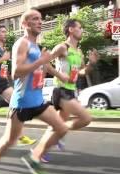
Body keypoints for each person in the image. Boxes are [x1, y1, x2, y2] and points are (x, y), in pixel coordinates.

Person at [0, 9, 69, 174]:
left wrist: (57, 74)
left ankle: (34, 157)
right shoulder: (21, 44)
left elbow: (41, 67)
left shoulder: (36, 46)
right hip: (21, 102)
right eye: (34, 19)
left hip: (37, 100)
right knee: (9, 141)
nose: (40, 21)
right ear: (24, 24)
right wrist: (41, 61)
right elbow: (16, 72)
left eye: (40, 18)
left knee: (61, 127)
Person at [40, 19, 97, 162]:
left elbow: (83, 72)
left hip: (71, 90)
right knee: (85, 119)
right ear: (71, 29)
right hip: (61, 90)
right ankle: (58, 133)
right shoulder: (62, 47)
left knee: (57, 124)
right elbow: (45, 63)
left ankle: (41, 150)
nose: (82, 30)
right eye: (80, 27)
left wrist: (91, 64)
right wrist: (60, 75)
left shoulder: (78, 51)